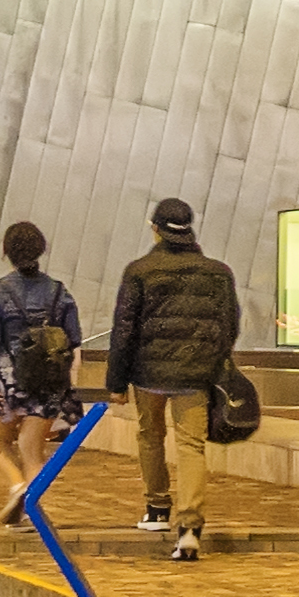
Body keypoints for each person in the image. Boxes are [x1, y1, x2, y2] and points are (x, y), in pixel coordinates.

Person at [102, 198, 240, 559]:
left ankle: (157, 509)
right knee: (191, 446)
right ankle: (190, 526)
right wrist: (212, 363)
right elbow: (229, 327)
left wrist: (116, 383)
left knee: (150, 435)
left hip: (147, 373)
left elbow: (124, 330)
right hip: (195, 376)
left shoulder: (139, 270)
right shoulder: (218, 273)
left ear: (155, 228)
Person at [0, 220, 86, 525]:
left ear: (5, 252)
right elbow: (73, 337)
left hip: (6, 380)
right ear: (41, 250)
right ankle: (32, 509)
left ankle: (17, 486)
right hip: (48, 381)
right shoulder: (59, 293)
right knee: (32, 451)